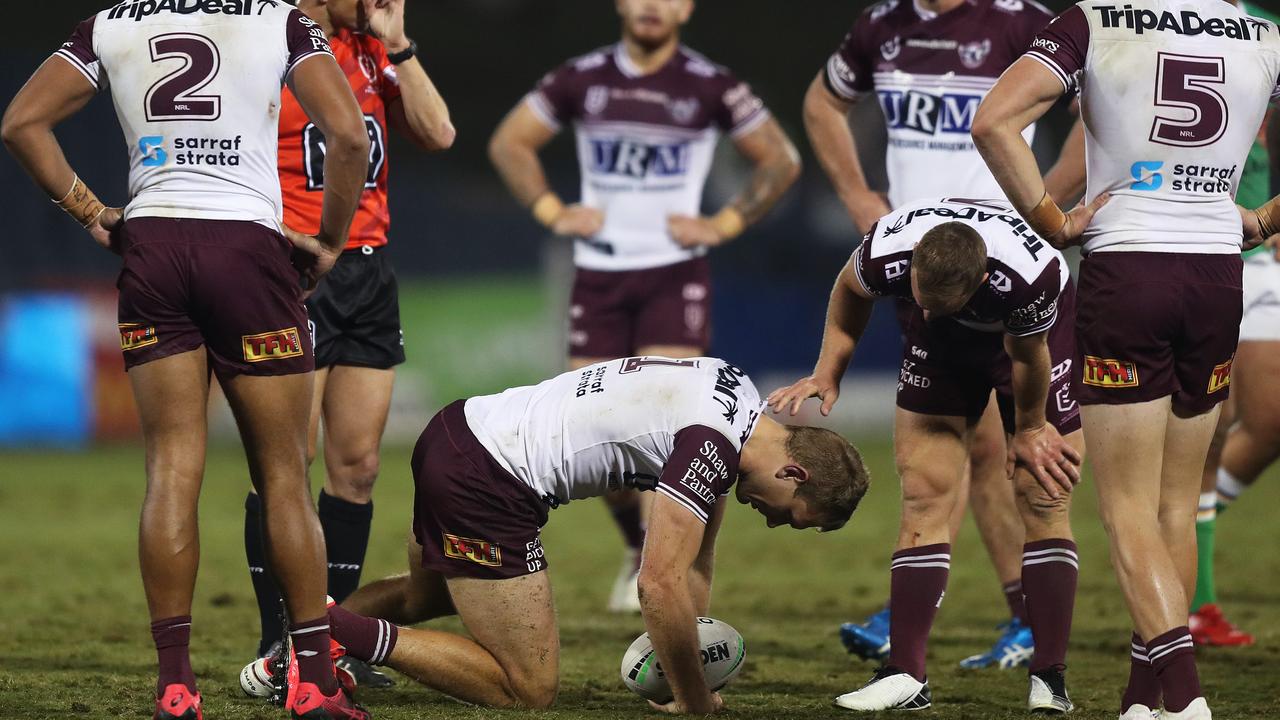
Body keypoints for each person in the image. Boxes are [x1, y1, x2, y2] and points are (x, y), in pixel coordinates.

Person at [1, 3, 372, 719]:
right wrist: (327, 243)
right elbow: (350, 136)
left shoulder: (110, 23)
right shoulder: (280, 19)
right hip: (246, 252)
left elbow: (20, 122)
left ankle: (175, 685)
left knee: (170, 470)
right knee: (286, 474)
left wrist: (89, 211)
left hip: (154, 247)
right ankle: (314, 681)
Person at [245, 356, 868, 714]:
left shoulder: (735, 394)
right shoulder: (708, 445)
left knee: (424, 596)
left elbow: (692, 564)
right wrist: (696, 701)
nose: (772, 518)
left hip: (461, 429)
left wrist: (685, 670)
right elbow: (659, 584)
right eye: (789, 513)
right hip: (488, 480)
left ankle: (290, 663)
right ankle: (323, 622)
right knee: (527, 686)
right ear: (794, 471)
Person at [971, 2, 1280, 717]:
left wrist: (1053, 220)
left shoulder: (1097, 17)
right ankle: (1146, 700)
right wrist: (1263, 220)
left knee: (1126, 510)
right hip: (1217, 274)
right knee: (1177, 502)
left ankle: (1186, 697)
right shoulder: (1260, 30)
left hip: (1129, 267)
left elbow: (993, 121)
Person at [488, 0, 801, 613]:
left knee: (669, 427)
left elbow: (781, 159)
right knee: (596, 427)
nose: (652, 5)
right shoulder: (582, 77)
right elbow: (510, 143)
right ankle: (639, 549)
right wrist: (553, 212)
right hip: (598, 275)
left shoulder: (709, 83)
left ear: (686, 7)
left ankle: (666, 570)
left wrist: (727, 222)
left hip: (673, 275)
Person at [801, 0, 1088, 668]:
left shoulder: (1023, 22)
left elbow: (1096, 116)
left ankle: (1002, 617)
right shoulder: (883, 26)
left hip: (998, 266)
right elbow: (821, 104)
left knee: (990, 448)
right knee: (962, 448)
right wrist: (856, 197)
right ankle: (990, 613)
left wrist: (1039, 206)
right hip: (922, 265)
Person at [770, 197, 1098, 712]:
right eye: (917, 295)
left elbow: (1029, 359)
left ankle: (1049, 676)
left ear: (981, 280)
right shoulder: (888, 250)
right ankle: (906, 674)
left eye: (935, 302)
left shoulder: (1027, 280)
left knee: (1043, 494)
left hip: (1034, 344)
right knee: (923, 492)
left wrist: (1030, 428)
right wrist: (828, 370)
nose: (920, 305)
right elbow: (849, 289)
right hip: (942, 346)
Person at [241, 0, 455, 687]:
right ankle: (282, 644)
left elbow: (439, 132)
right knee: (287, 463)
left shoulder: (372, 46)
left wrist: (400, 47)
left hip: (368, 269)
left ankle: (335, 638)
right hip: (292, 265)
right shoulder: (264, 39)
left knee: (358, 466)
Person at [1191, 0, 1280, 649]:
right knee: (1205, 429)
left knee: (1271, 418)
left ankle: (1188, 530)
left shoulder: (1264, 31)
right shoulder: (1147, 19)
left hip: (1261, 244)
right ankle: (1197, 600)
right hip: (1190, 245)